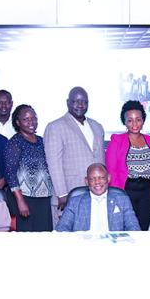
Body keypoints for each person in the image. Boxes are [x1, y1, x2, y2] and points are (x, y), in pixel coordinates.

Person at [45, 86, 105, 214]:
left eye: (84, 101)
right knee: (67, 234)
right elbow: (54, 163)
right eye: (76, 101)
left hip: (96, 194)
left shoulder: (97, 126)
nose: (80, 105)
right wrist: (62, 194)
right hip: (68, 195)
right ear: (68, 103)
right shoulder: (55, 127)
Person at [106, 101, 150, 231]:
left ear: (143, 120)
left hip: (148, 193)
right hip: (126, 191)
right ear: (124, 122)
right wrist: (117, 196)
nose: (134, 124)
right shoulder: (117, 140)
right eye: (130, 120)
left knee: (142, 229)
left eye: (138, 120)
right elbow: (112, 171)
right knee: (128, 229)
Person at [5, 104, 54, 232]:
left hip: (44, 198)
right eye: (26, 119)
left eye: (33, 118)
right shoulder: (15, 142)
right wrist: (20, 200)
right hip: (25, 198)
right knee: (28, 239)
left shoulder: (42, 141)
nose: (31, 122)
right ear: (18, 122)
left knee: (44, 236)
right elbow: (10, 173)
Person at [55, 163, 140, 232]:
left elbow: (133, 227)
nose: (97, 182)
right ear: (86, 181)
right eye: (92, 179)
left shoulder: (122, 199)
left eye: (102, 178)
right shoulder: (75, 202)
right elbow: (62, 229)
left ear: (108, 178)